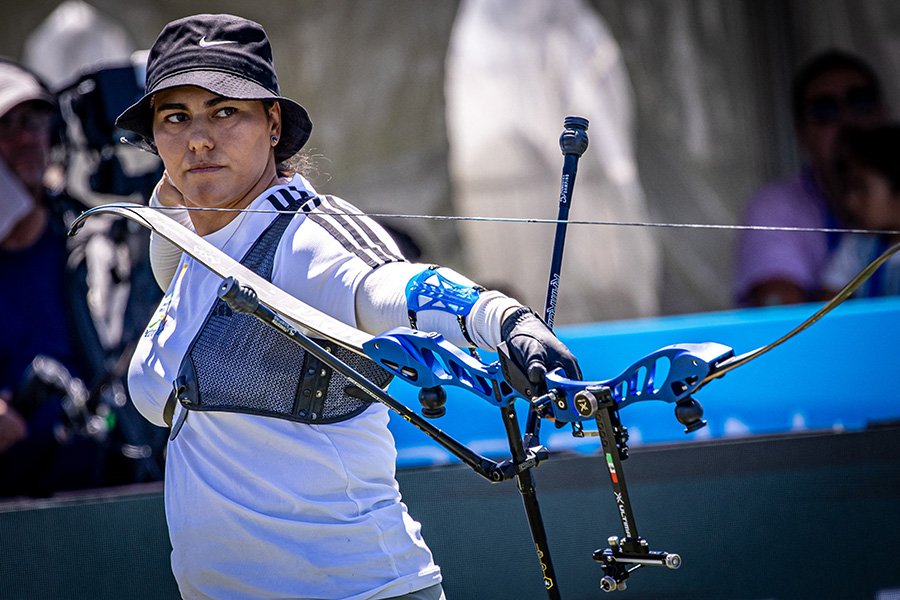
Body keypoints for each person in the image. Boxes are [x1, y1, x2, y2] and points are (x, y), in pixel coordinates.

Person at [118, 14, 582, 600]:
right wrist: (173, 201)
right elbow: (177, 234)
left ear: (273, 122)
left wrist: (502, 321)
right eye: (175, 118)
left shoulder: (307, 236)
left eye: (225, 110)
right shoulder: (194, 241)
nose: (200, 138)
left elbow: (387, 287)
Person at [0, 58, 115, 497]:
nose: (27, 137)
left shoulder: (96, 241)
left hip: (108, 490)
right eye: (7, 127)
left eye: (34, 120)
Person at [734, 49, 887, 307]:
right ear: (801, 133)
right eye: (825, 110)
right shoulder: (775, 205)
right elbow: (781, 315)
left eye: (860, 101)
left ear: (884, 112)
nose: (847, 120)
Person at [820, 125, 900, 298]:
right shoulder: (857, 245)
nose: (850, 201)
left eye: (861, 188)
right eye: (849, 188)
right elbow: (828, 302)